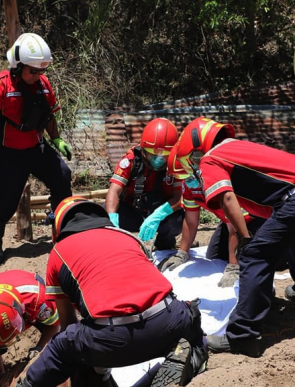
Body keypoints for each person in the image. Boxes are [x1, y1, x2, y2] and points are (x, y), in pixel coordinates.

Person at [16, 196, 208, 387]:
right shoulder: (128, 237)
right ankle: (192, 358)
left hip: (115, 340)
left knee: (63, 344)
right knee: (189, 314)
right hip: (168, 323)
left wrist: (95, 363)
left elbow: (68, 322)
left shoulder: (58, 253)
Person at [174, 116, 295, 358]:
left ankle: (241, 336)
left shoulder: (211, 159)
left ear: (195, 151)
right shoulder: (237, 148)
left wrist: (244, 238)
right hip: (288, 201)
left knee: (254, 254)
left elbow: (227, 199)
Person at [0, 33, 72, 266]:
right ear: (18, 66)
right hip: (9, 153)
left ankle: (61, 227)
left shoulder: (42, 85)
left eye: (41, 71)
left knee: (62, 176)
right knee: (7, 197)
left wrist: (56, 139)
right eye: (33, 71)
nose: (38, 76)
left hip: (36, 147)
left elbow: (49, 116)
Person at [158, 145, 268, 288]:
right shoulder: (190, 185)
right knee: (215, 258)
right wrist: (182, 253)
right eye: (182, 178)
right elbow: (191, 221)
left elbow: (235, 225)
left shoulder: (217, 181)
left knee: (253, 260)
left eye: (187, 176)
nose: (187, 181)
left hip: (252, 220)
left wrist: (234, 266)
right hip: (228, 221)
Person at [105, 117, 184, 250]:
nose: (158, 159)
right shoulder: (131, 161)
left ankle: (164, 245)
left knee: (179, 219)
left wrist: (158, 215)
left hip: (161, 212)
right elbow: (114, 191)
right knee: (103, 212)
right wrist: (111, 218)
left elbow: (180, 196)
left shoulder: (177, 164)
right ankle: (115, 242)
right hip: (133, 211)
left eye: (164, 154)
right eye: (153, 154)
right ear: (143, 150)